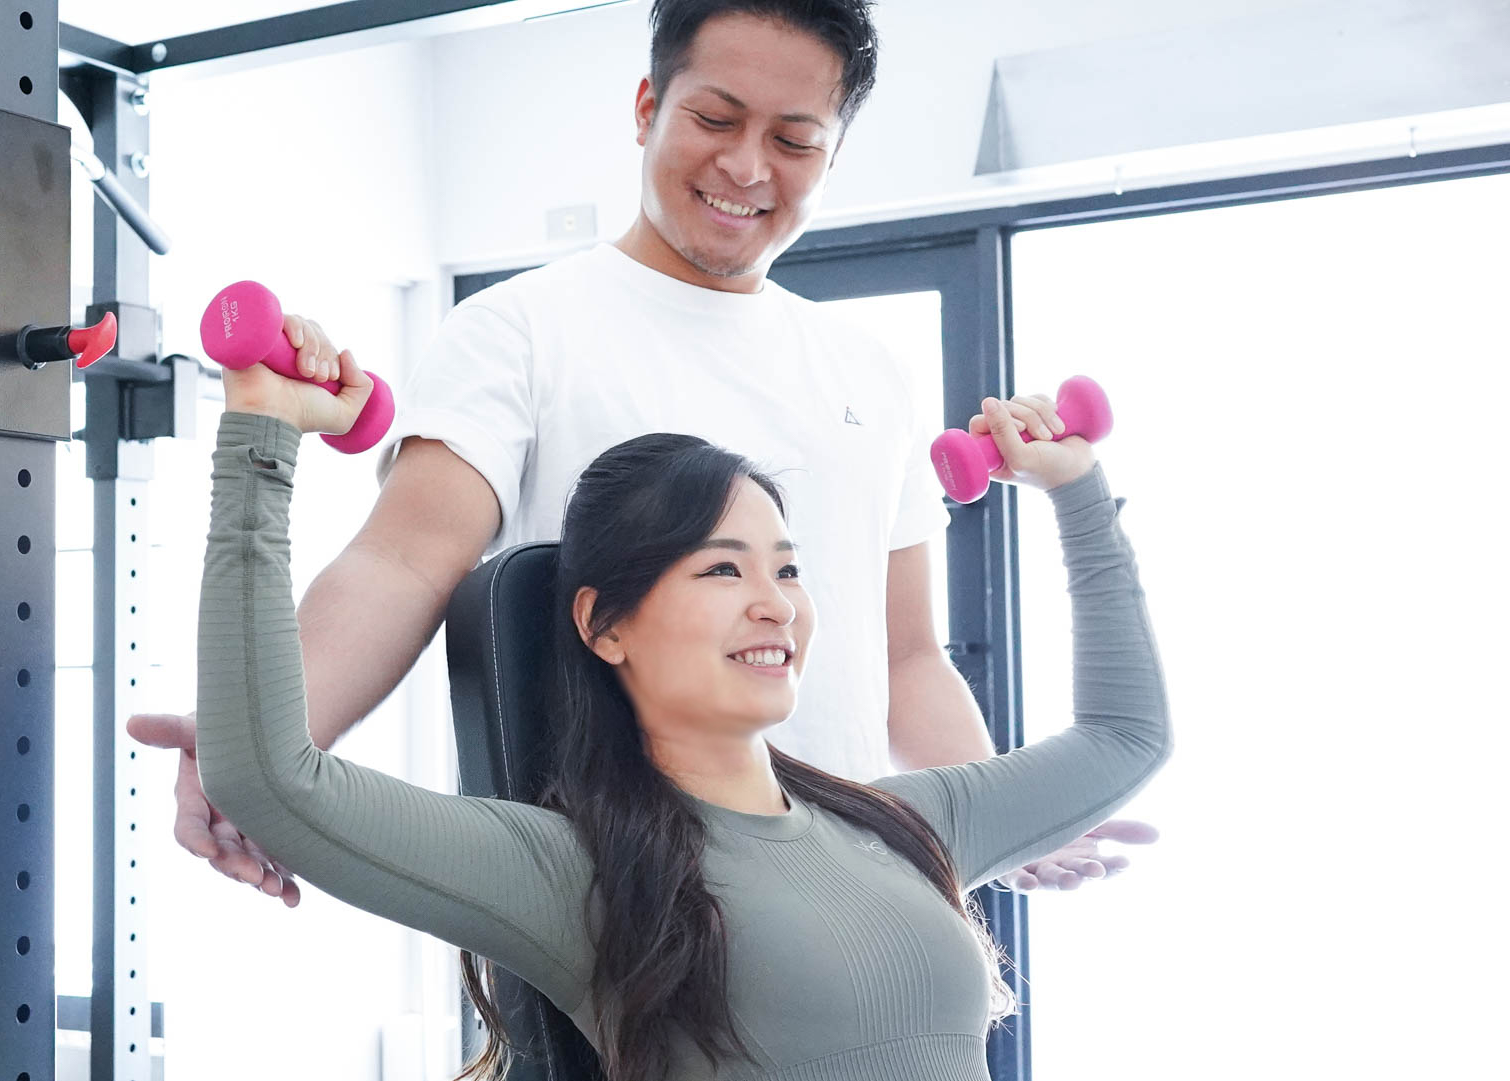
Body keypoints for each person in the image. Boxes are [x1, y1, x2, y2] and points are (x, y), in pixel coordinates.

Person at [131, 0, 1156, 907]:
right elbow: (403, 559)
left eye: (795, 140)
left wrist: (1000, 816)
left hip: (844, 899)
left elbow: (902, 654)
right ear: (645, 109)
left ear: (832, 155)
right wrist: (250, 746)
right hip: (614, 911)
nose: (748, 167)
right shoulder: (520, 330)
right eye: (715, 119)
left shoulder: (868, 369)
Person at [193, 350, 1170, 1080]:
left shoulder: (904, 826)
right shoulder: (574, 870)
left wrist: (1076, 487)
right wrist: (263, 437)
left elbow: (1127, 737)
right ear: (605, 624)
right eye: (722, 567)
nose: (775, 601)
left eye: (788, 567)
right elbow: (270, 776)